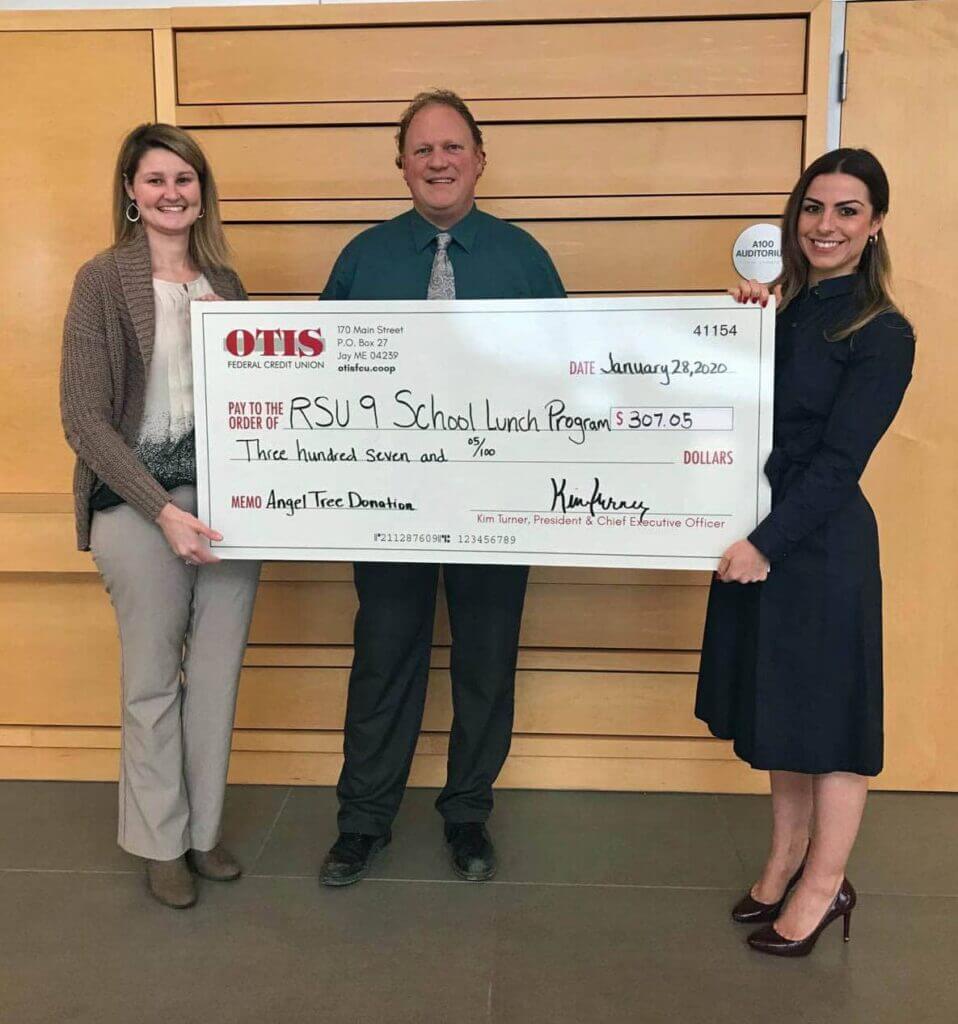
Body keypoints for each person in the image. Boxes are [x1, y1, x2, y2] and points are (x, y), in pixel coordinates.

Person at [319, 89, 565, 886]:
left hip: (499, 501)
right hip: (389, 503)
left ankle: (467, 816)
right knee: (384, 657)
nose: (437, 161)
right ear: (401, 165)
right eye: (421, 149)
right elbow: (313, 376)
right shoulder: (363, 257)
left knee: (486, 662)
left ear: (480, 160)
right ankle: (364, 821)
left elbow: (568, 372)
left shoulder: (525, 258)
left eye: (452, 147)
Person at [695, 148, 914, 956]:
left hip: (817, 552)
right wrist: (738, 327)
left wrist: (764, 545)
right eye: (813, 208)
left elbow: (837, 464)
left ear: (875, 224)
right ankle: (785, 860)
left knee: (832, 729)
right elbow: (723, 415)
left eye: (847, 210)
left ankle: (826, 886)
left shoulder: (883, 332)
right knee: (782, 717)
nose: (826, 225)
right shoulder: (778, 313)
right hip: (760, 542)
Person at [60, 124, 261, 909]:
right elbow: (84, 419)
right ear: (130, 192)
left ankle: (201, 834)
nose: (172, 192)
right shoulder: (100, 281)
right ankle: (159, 843)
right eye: (155, 180)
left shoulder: (229, 285)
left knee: (214, 677)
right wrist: (161, 510)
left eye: (185, 179)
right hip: (134, 506)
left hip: (230, 508)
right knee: (151, 682)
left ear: (201, 191)